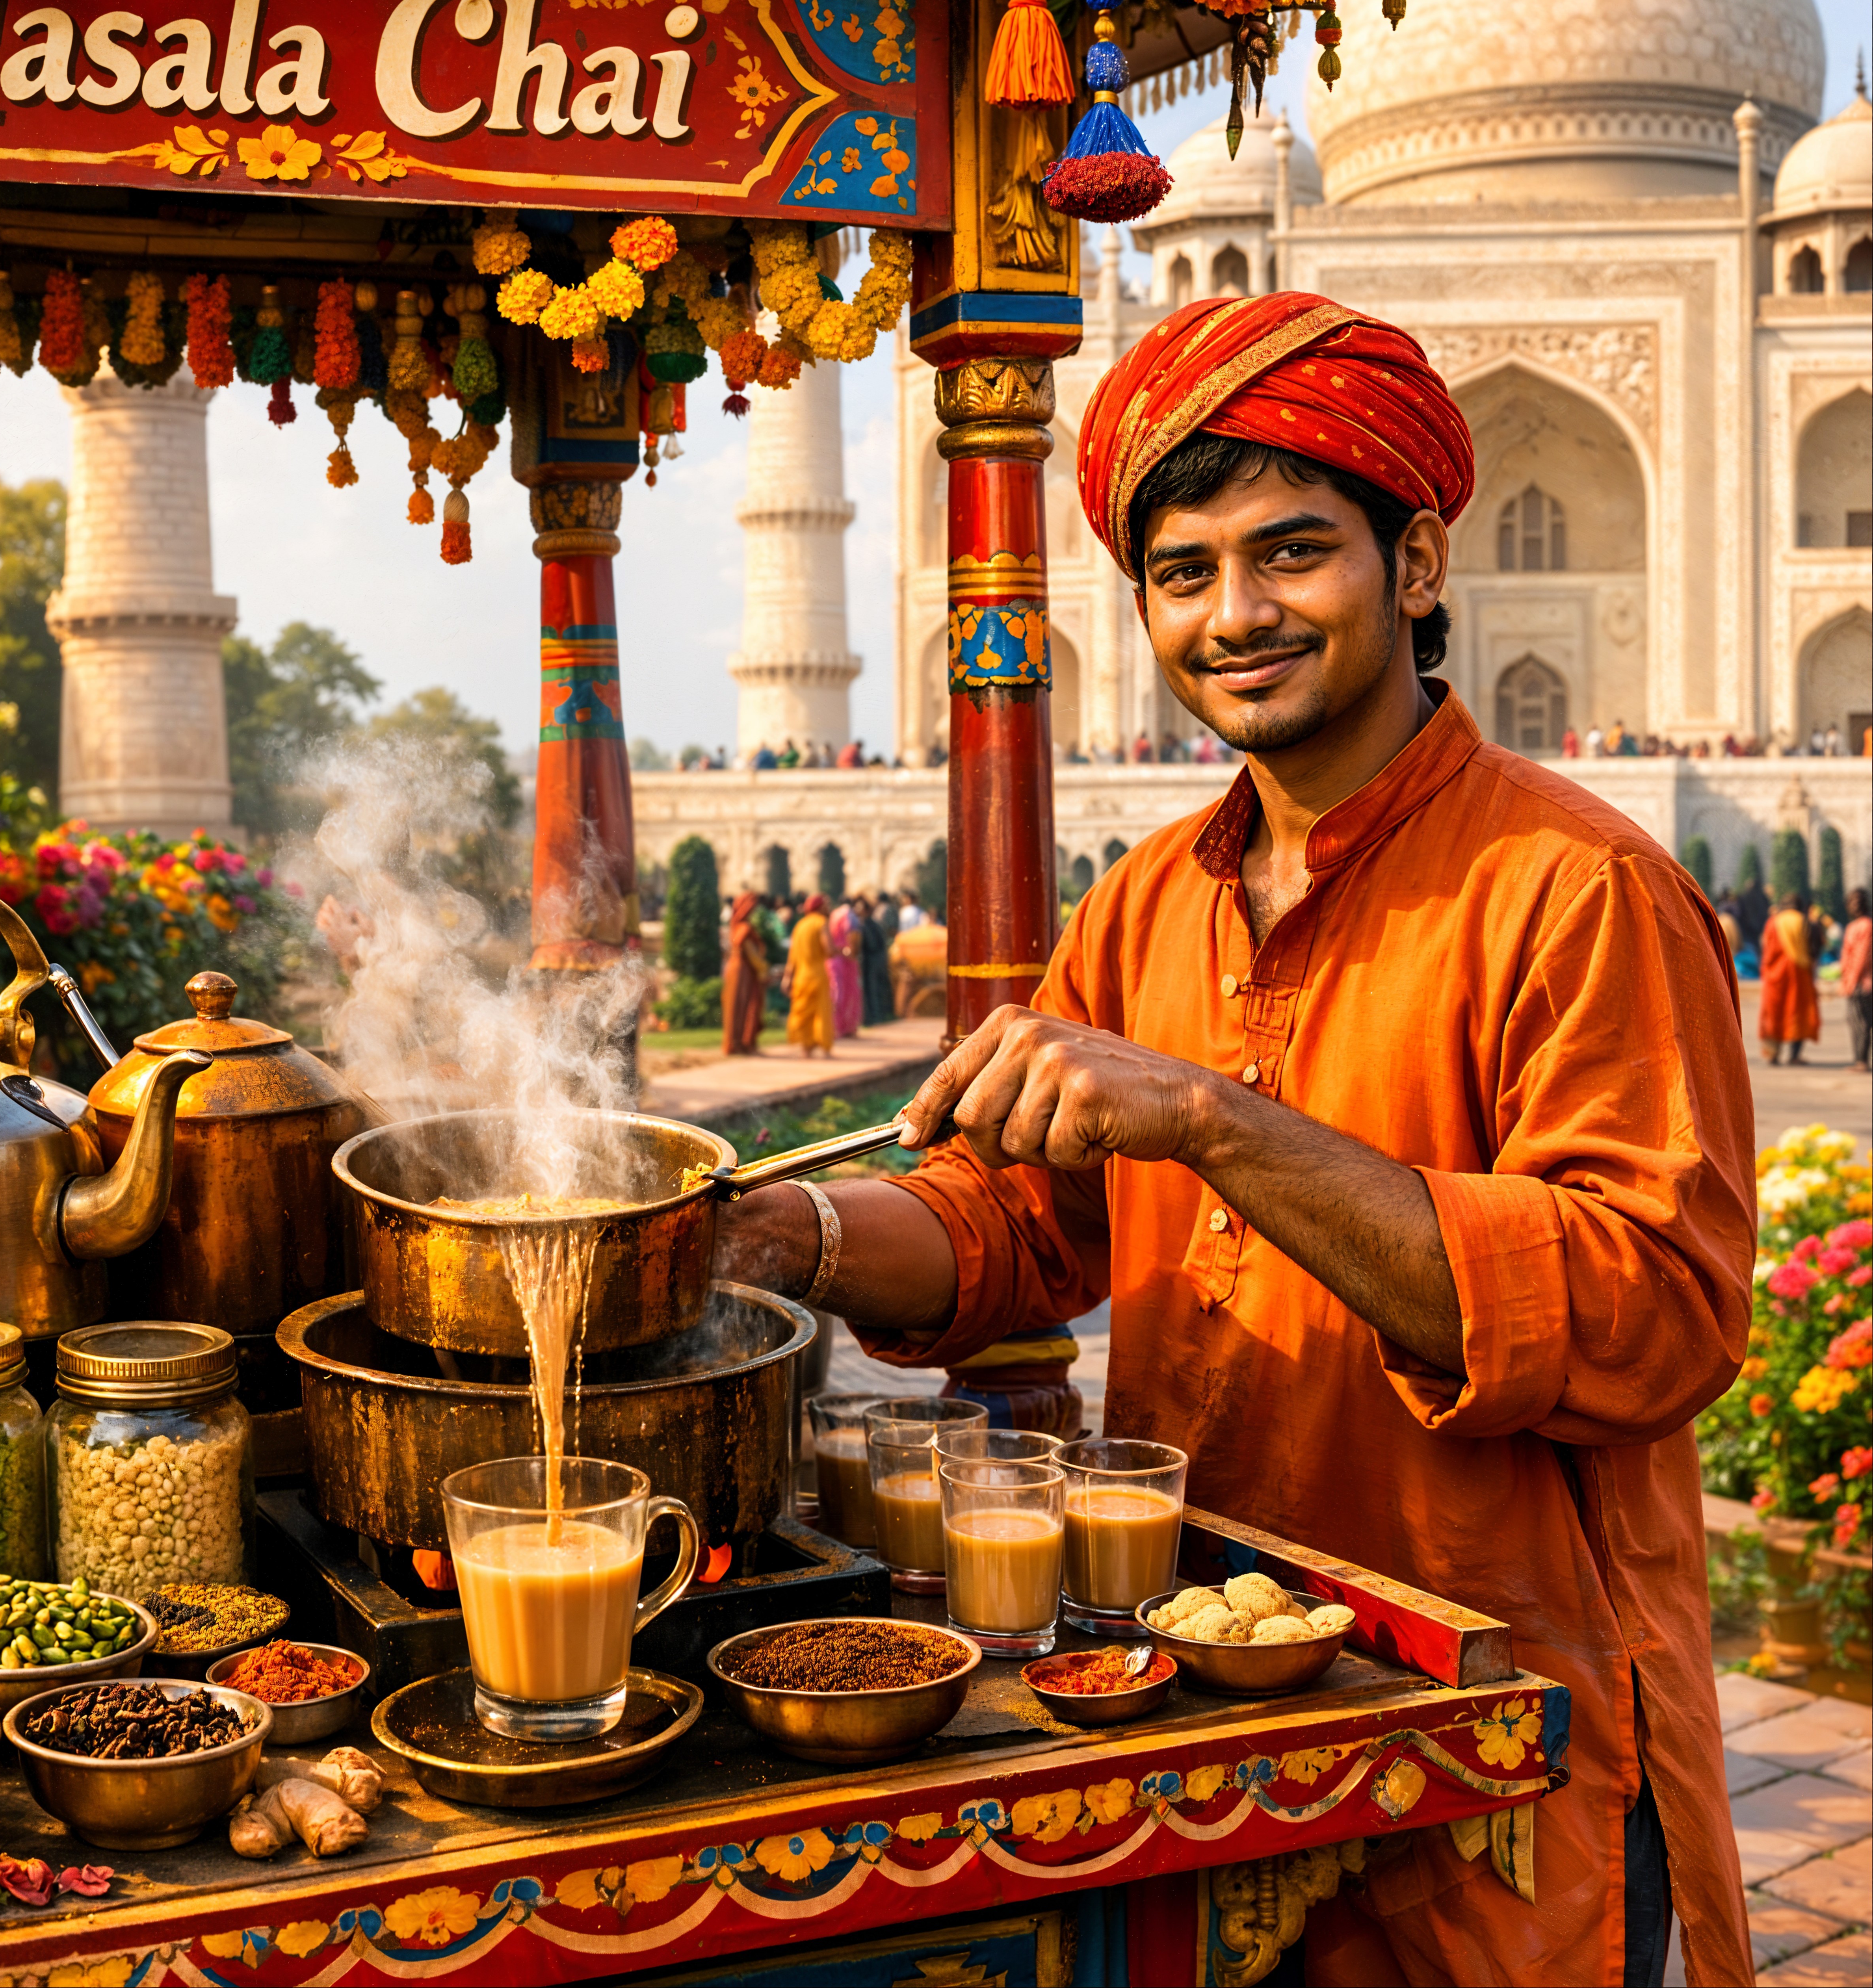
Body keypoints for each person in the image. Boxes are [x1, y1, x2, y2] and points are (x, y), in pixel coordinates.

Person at [713, 292, 1753, 1988]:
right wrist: (781, 1237)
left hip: (1491, 1736)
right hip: (1209, 1703)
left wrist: (1208, 1118)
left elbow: (1646, 1310)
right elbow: (1018, 1224)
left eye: (1288, 553)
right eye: (1180, 572)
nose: (1232, 615)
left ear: (1414, 564)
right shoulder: (1147, 903)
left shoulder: (1572, 891)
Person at [1759, 891, 1821, 1067]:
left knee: (1774, 1014)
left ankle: (1773, 1055)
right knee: (1798, 1014)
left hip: (1775, 976)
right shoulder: (1805, 921)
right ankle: (1794, 1056)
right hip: (1800, 975)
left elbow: (1767, 952)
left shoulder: (1773, 923)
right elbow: (1815, 949)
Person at [782, 893, 833, 1056]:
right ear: (819, 907)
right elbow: (830, 950)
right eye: (826, 905)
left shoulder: (800, 926)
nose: (829, 908)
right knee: (821, 1012)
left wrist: (787, 978)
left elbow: (792, 957)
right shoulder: (821, 923)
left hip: (802, 977)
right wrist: (840, 951)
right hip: (818, 974)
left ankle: (807, 1048)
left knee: (804, 1013)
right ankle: (825, 1049)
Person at [721, 891, 768, 1057]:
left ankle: (736, 1043)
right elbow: (752, 954)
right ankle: (742, 1043)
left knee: (735, 1006)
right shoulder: (745, 928)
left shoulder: (735, 927)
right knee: (745, 1005)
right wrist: (764, 969)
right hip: (744, 971)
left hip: (734, 969)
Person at [1841, 887, 1872, 1071]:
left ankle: (1861, 1061)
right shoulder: (1856, 926)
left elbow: (1862, 956)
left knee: (1860, 1022)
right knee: (1857, 1021)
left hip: (1863, 983)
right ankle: (1860, 1060)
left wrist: (1852, 982)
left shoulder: (1864, 926)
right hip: (1857, 981)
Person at [856, 892, 897, 1026]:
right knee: (878, 988)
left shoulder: (866, 924)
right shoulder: (874, 923)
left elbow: (872, 944)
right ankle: (881, 1014)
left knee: (873, 989)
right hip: (880, 959)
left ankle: (876, 1016)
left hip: (873, 960)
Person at [827, 897, 862, 1038]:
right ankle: (848, 1028)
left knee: (836, 993)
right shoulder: (850, 915)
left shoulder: (833, 915)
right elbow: (853, 936)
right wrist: (853, 952)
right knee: (849, 994)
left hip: (833, 960)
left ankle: (835, 1027)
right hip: (846, 961)